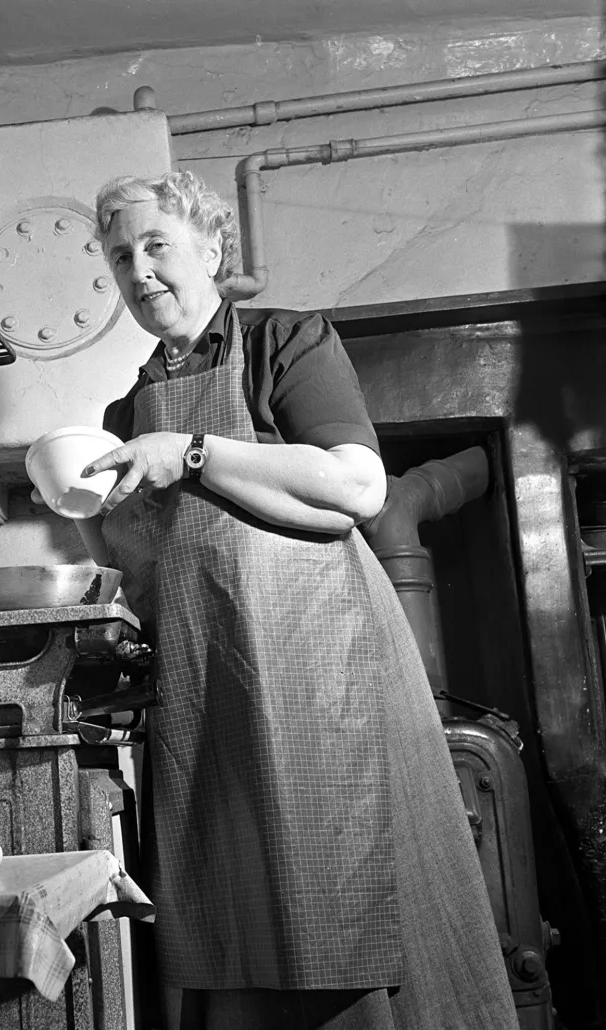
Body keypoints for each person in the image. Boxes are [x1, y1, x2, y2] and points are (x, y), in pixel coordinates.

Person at [71, 171, 520, 1030]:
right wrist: (86, 517)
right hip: (207, 692)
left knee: (340, 897)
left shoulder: (286, 341)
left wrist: (194, 450)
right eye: (122, 256)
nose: (141, 270)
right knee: (234, 914)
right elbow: (142, 570)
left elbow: (357, 488)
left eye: (158, 244)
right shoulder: (125, 410)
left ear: (209, 248)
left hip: (323, 674)